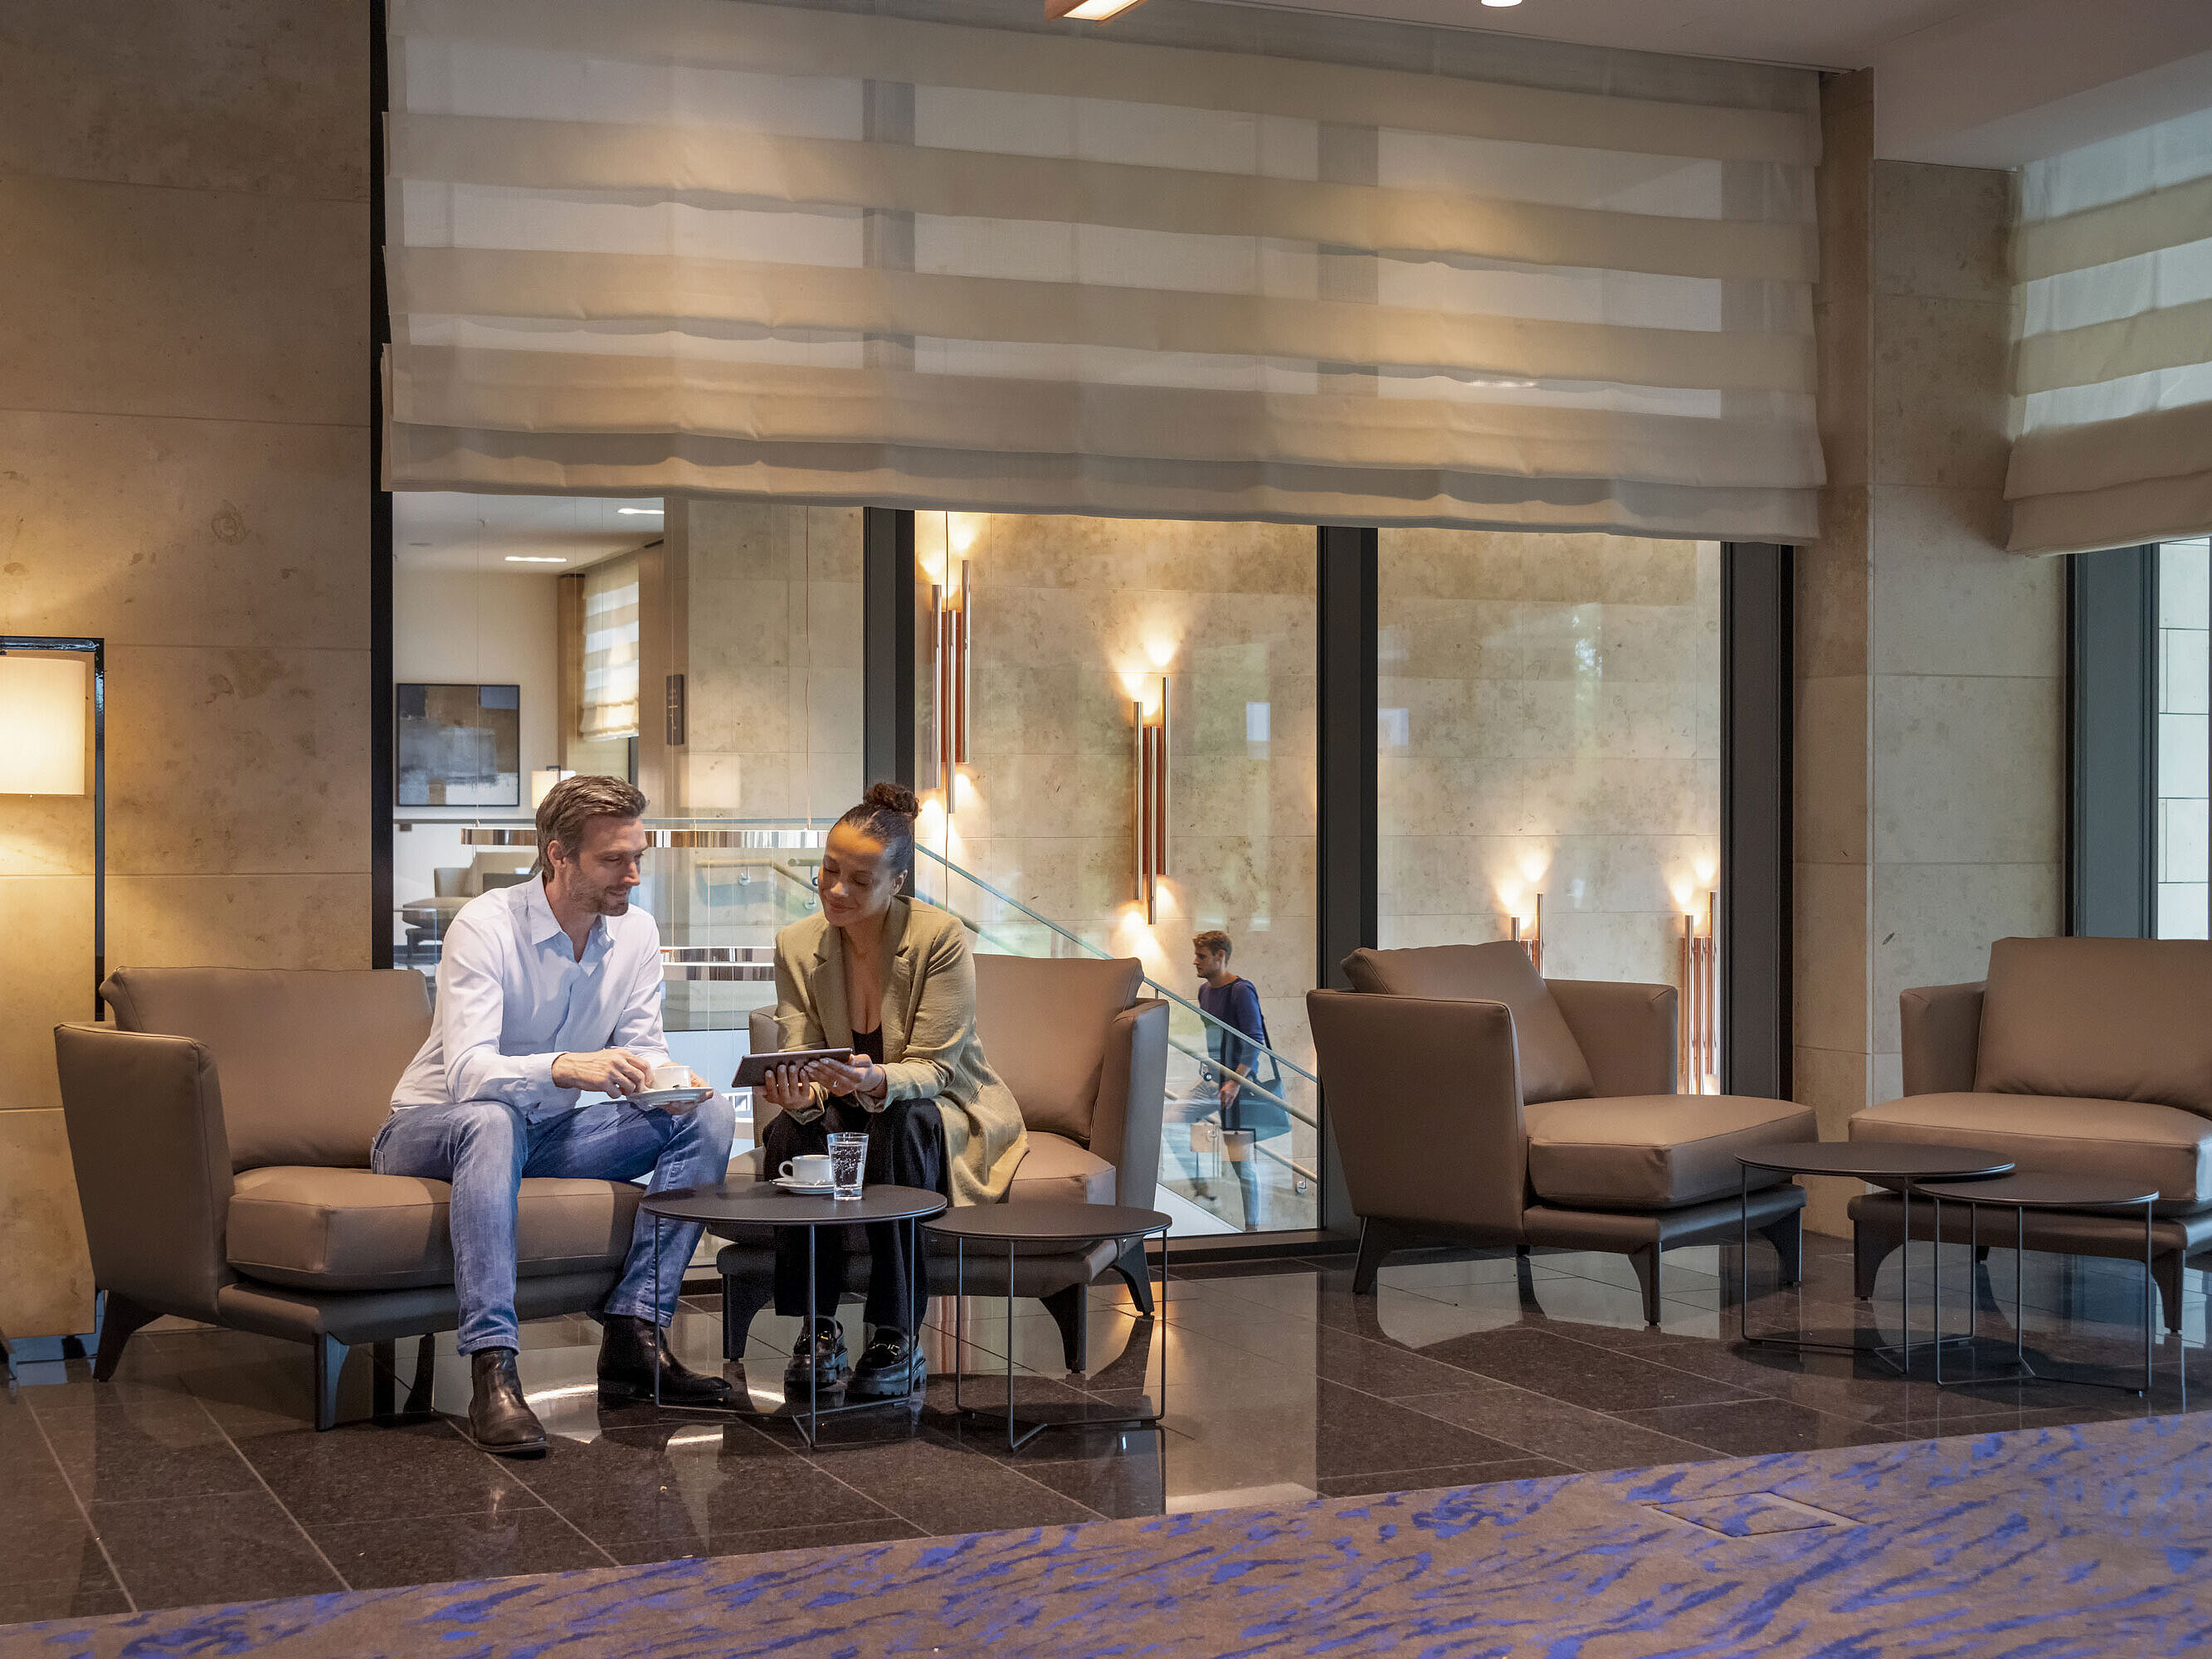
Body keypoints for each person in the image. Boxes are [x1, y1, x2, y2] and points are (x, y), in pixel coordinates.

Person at [376, 776, 738, 1456]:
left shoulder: (635, 934)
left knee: (709, 1117)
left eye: (638, 856)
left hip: (544, 1136)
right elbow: (468, 1074)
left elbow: (641, 1049)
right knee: (492, 1119)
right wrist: (565, 1065)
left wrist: (668, 1084)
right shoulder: (486, 926)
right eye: (613, 860)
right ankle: (493, 1367)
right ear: (558, 856)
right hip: (430, 1129)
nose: (632, 875)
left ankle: (635, 1332)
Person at [758, 782, 1027, 1399]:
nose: (836, 890)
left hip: (936, 1106)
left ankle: (896, 1333)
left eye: (859, 879)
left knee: (900, 1123)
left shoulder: (940, 938)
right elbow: (802, 1052)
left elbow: (936, 1067)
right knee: (789, 1133)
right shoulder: (796, 945)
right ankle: (818, 1327)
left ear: (897, 883)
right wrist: (800, 1094)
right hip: (845, 1104)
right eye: (828, 870)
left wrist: (878, 1079)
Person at [1190, 930, 1287, 1221]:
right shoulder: (1204, 991)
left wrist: (1236, 1081)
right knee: (1176, 1115)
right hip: (1215, 1081)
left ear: (1220, 957)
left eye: (1201, 956)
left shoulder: (1241, 991)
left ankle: (1251, 1228)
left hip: (1240, 1086)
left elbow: (1254, 1039)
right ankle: (1202, 1188)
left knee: (1241, 1164)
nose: (1195, 962)